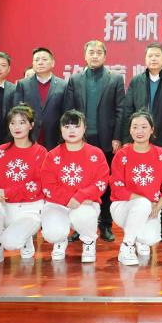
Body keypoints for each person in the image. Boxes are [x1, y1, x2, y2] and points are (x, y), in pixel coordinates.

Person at [119, 42, 162, 243]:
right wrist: (126, 139)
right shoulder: (136, 81)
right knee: (143, 181)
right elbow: (127, 110)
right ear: (145, 59)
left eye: (157, 55)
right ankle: (140, 221)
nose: (154, 59)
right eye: (150, 56)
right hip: (139, 142)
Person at [63, 40, 125, 242]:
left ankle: (105, 224)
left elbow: (121, 110)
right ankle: (79, 226)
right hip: (81, 141)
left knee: (105, 183)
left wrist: (117, 136)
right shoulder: (75, 79)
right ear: (85, 55)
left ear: (105, 56)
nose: (95, 55)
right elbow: (69, 111)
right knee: (80, 182)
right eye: (91, 52)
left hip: (106, 139)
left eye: (99, 52)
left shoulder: (115, 78)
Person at [0, 104, 48, 266]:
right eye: (12, 123)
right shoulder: (0, 151)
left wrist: (7, 192)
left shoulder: (41, 152)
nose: (16, 127)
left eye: (22, 122)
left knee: (10, 243)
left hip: (30, 207)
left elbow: (39, 184)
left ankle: (24, 237)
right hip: (5, 204)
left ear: (31, 125)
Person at [38, 110, 110, 264]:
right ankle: (60, 240)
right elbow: (48, 185)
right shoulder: (52, 155)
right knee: (52, 234)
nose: (71, 130)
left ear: (85, 129)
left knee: (85, 215)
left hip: (84, 203)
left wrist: (80, 197)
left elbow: (101, 181)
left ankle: (89, 242)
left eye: (76, 126)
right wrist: (70, 198)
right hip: (57, 203)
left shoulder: (96, 154)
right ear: (61, 129)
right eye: (67, 126)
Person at [109, 111, 162, 265]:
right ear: (130, 130)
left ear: (152, 130)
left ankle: (139, 238)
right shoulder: (122, 155)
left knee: (149, 239)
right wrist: (144, 201)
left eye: (144, 127)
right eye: (135, 127)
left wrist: (157, 207)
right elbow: (117, 187)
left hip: (152, 208)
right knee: (142, 204)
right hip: (123, 206)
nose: (139, 131)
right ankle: (127, 246)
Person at [14, 47, 68, 150]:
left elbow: (66, 112)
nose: (40, 62)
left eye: (44, 59)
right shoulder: (23, 84)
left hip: (55, 138)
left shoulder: (63, 85)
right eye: (36, 60)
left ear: (52, 63)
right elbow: (17, 111)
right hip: (29, 137)